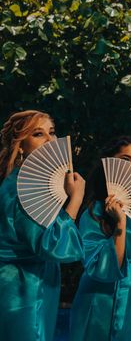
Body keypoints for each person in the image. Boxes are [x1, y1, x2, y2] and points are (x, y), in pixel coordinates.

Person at [69, 135, 131, 340]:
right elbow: (104, 269)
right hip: (102, 298)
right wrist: (119, 223)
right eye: (125, 160)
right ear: (109, 165)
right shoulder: (93, 212)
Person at [0, 110, 84, 341]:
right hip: (24, 286)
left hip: (29, 280)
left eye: (52, 132)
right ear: (21, 146)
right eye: (38, 134)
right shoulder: (26, 187)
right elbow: (54, 246)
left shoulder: (25, 181)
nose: (49, 140)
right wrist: (76, 199)